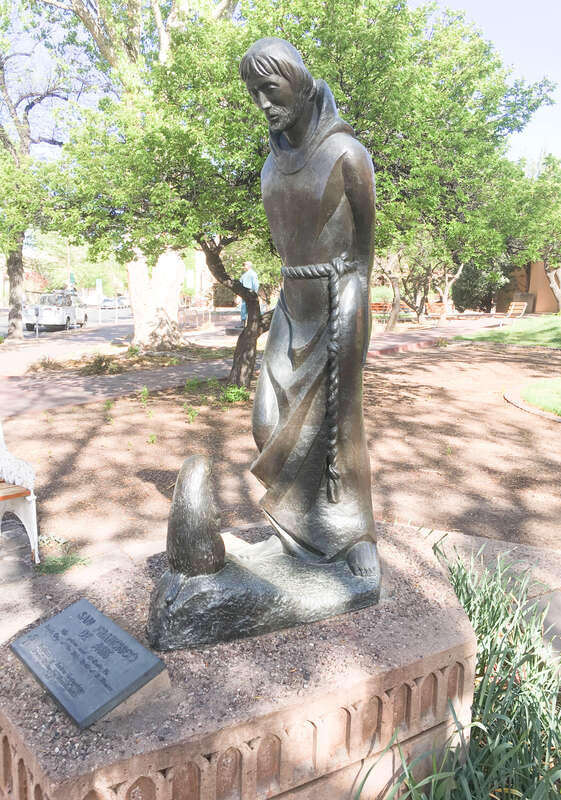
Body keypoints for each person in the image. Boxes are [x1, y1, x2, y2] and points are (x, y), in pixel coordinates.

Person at [240, 38, 379, 579]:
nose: (263, 103)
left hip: (338, 303)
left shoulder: (348, 154)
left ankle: (355, 536)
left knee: (341, 430)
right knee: (265, 423)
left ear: (297, 82)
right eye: (253, 93)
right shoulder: (270, 166)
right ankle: (299, 536)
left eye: (269, 89)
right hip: (291, 306)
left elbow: (363, 254)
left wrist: (354, 320)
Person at [239, 261, 259, 326]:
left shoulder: (252, 274)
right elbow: (240, 284)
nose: (243, 267)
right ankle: (244, 323)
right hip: (247, 294)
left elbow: (256, 285)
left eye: (245, 265)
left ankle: (245, 323)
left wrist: (255, 293)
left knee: (246, 308)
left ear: (248, 266)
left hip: (249, 294)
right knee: (245, 308)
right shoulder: (244, 275)